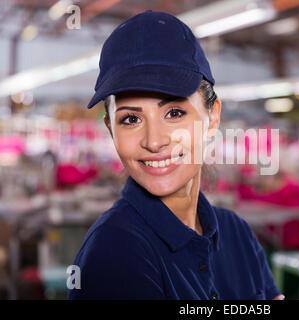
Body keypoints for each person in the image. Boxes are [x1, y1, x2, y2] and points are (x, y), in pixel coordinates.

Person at [67, 10, 284, 300]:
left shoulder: (237, 234)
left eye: (175, 113)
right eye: (131, 119)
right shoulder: (114, 251)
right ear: (111, 129)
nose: (154, 142)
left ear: (213, 116)